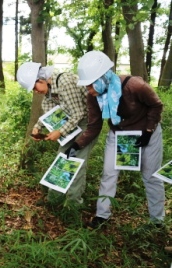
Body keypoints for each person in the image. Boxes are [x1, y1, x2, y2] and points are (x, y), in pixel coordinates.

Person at [67, 50, 165, 229]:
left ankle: (157, 221)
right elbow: (94, 126)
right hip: (120, 135)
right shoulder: (94, 97)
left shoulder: (134, 85)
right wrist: (77, 144)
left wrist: (149, 131)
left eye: (90, 85)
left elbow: (156, 105)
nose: (88, 90)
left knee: (151, 177)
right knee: (109, 174)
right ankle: (102, 216)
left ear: (102, 79)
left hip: (146, 133)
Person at [17, 62, 98, 205]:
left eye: (35, 88)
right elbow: (51, 112)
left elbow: (79, 113)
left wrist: (60, 132)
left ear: (41, 80)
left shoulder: (64, 82)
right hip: (72, 124)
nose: (36, 92)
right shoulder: (48, 91)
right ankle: (53, 200)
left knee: (75, 162)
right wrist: (38, 127)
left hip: (87, 123)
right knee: (62, 158)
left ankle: (74, 204)